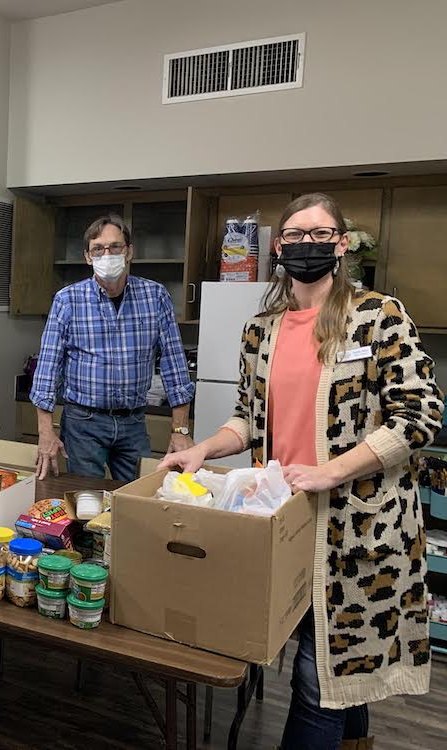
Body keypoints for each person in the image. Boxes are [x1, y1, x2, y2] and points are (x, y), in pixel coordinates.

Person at [160, 193, 443, 750]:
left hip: (359, 527)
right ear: (278, 249)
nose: (305, 246)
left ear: (341, 246)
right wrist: (203, 450)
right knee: (337, 664)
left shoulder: (378, 317)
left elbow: (421, 416)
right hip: (285, 519)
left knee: (322, 673)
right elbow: (247, 418)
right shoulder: (260, 331)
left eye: (319, 236)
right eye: (294, 236)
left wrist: (331, 471)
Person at [31, 213, 195, 481]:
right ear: (88, 256)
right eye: (98, 249)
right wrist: (45, 432)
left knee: (135, 499)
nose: (107, 254)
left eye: (115, 247)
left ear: (128, 251)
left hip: (133, 423)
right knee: (85, 502)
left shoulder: (154, 296)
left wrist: (180, 431)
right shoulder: (67, 300)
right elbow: (48, 370)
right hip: (83, 424)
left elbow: (174, 366)